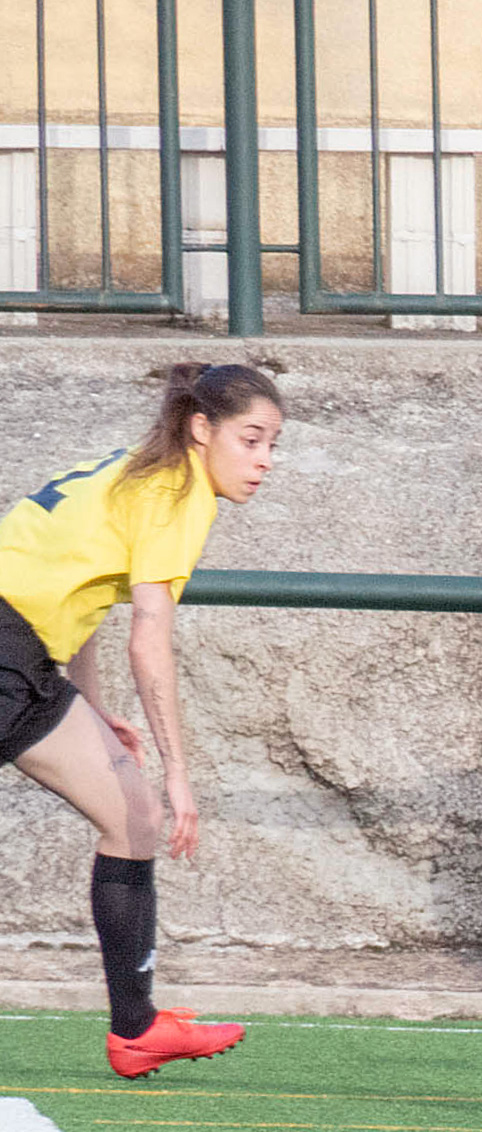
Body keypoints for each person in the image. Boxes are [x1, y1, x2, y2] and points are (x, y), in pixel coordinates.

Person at [0, 362, 281, 1079]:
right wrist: (182, 771)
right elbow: (148, 634)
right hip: (7, 649)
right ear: (201, 429)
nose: (263, 462)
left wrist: (91, 707)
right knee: (154, 803)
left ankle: (137, 1029)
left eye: (272, 445)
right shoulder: (177, 494)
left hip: (25, 659)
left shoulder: (138, 473)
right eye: (251, 440)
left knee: (134, 817)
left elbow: (81, 591)